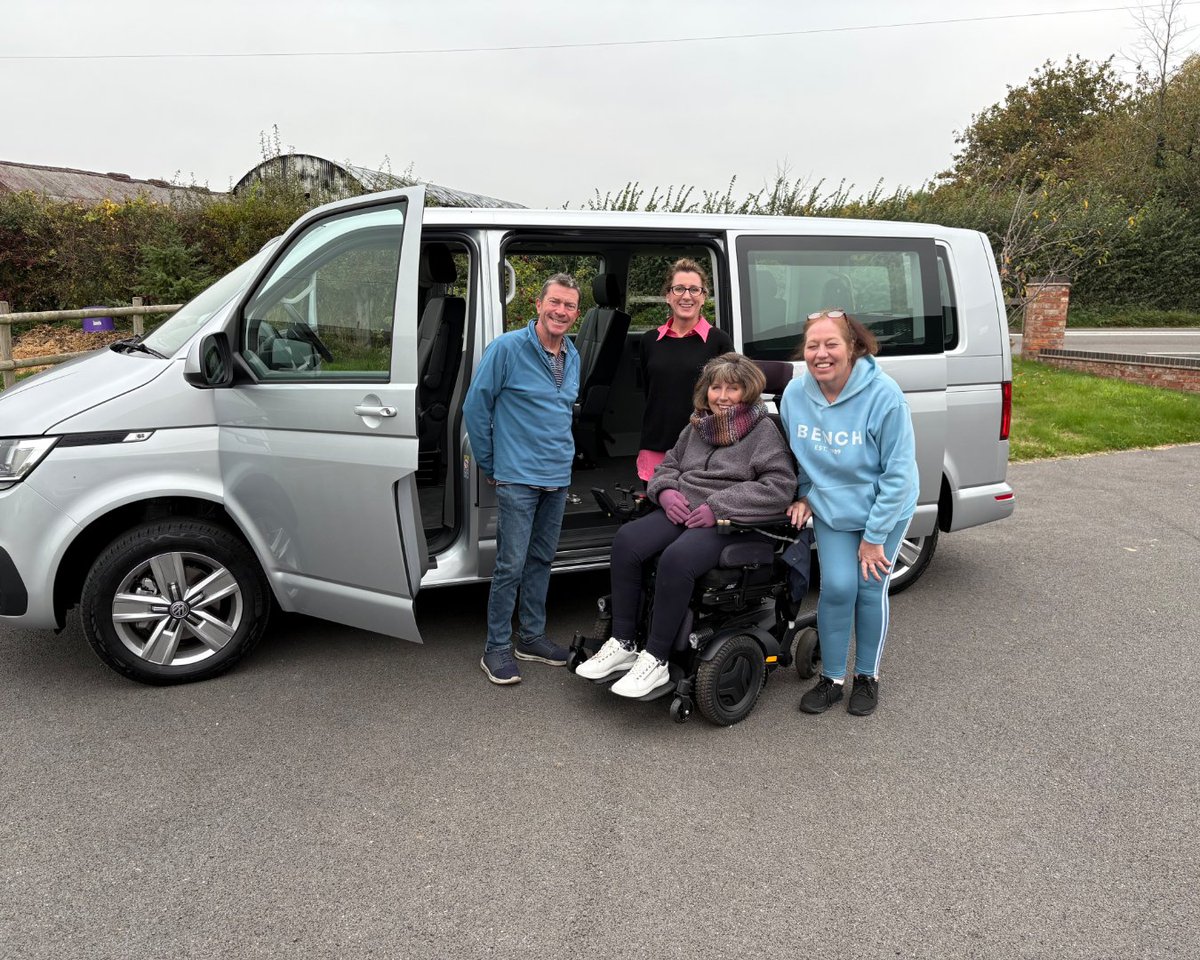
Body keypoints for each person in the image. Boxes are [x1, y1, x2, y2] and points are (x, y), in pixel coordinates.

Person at [577, 353, 797, 697]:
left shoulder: (763, 431)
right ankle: (623, 642)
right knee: (627, 540)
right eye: (716, 387)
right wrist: (665, 492)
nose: (722, 396)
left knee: (678, 558)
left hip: (730, 521)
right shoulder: (697, 426)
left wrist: (718, 506)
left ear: (748, 391)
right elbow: (668, 467)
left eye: (733, 388)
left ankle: (656, 659)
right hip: (683, 509)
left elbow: (778, 487)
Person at [779, 309, 918, 716]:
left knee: (870, 587)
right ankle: (832, 679)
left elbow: (898, 475)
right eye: (812, 346)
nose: (820, 354)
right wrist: (805, 495)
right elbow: (799, 456)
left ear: (853, 347)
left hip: (885, 506)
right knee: (839, 588)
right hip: (832, 505)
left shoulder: (884, 395)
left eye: (831, 344)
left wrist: (874, 537)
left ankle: (867, 676)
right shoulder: (794, 395)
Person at [464, 273, 582, 685]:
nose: (560, 311)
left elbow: (563, 412)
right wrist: (491, 463)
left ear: (576, 313)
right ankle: (496, 647)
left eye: (569, 306)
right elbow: (475, 408)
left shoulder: (572, 354)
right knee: (510, 565)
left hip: (557, 474)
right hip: (517, 477)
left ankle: (531, 638)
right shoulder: (507, 348)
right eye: (555, 302)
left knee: (542, 560)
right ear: (538, 304)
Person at [636, 258, 734, 483]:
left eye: (694, 289)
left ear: (703, 296)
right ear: (668, 296)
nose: (686, 296)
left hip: (702, 447)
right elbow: (649, 392)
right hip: (656, 446)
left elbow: (729, 399)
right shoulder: (649, 341)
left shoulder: (719, 341)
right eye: (679, 288)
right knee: (654, 503)